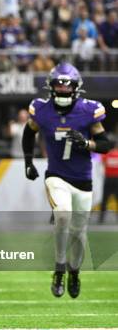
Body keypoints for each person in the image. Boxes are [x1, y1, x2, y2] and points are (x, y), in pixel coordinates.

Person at [22, 63, 111, 299]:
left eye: (67, 84)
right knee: (62, 215)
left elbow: (105, 144)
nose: (62, 89)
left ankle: (74, 271)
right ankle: (59, 268)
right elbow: (29, 131)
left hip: (82, 180)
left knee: (79, 233)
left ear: (76, 87)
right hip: (57, 175)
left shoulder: (88, 110)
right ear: (50, 87)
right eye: (58, 84)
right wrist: (28, 161)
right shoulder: (41, 109)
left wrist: (87, 143)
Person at [99, 147, 118, 224]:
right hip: (117, 179)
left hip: (108, 178)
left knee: (105, 199)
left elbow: (102, 163)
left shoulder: (107, 154)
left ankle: (101, 218)